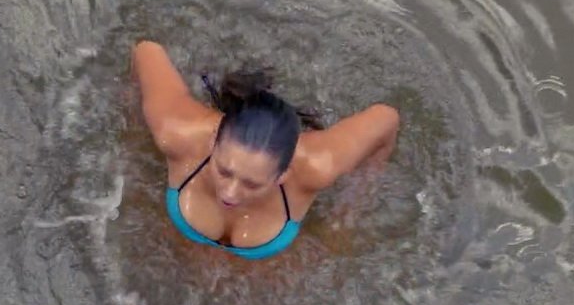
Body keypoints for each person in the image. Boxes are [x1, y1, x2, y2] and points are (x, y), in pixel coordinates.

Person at [132, 40, 399, 261]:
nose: (229, 193)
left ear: (283, 174)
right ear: (213, 144)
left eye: (252, 184)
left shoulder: (317, 166)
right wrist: (133, 142)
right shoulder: (176, 133)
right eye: (224, 171)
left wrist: (348, 214)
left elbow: (386, 120)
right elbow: (145, 50)